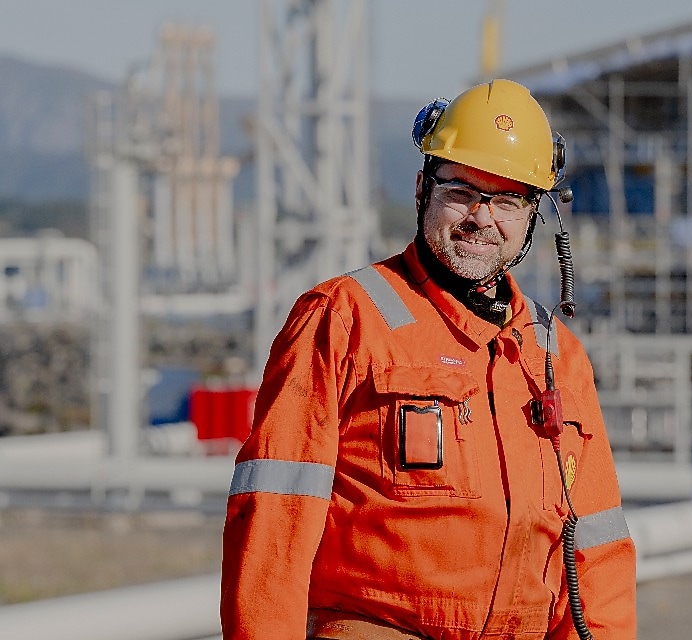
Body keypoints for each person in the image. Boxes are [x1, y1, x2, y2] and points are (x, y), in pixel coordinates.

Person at [222, 79, 637, 640]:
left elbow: (599, 549)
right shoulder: (343, 319)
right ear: (422, 188)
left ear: (535, 214)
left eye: (509, 200)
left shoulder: (557, 356)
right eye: (461, 191)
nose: (481, 217)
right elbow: (275, 516)